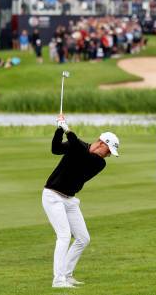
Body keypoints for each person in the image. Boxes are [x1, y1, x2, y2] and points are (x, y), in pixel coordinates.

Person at [42, 115, 120, 288]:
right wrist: (58, 130)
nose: (107, 156)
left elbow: (79, 151)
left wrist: (66, 128)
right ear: (101, 143)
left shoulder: (98, 163)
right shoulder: (78, 146)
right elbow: (56, 149)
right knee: (63, 236)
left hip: (69, 200)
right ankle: (58, 280)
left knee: (83, 238)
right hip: (53, 196)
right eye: (108, 151)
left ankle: (67, 275)